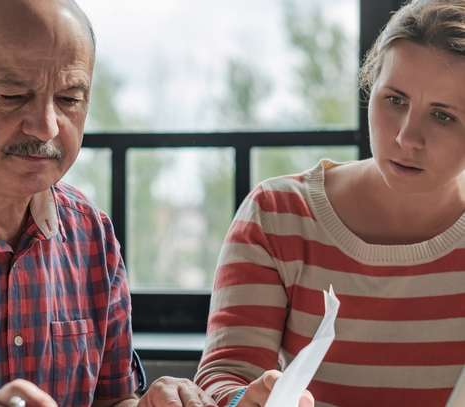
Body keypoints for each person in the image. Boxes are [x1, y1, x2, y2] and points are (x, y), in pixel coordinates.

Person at [0, 1, 216, 407]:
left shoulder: (91, 234)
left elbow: (112, 399)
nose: (46, 125)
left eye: (69, 100)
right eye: (12, 95)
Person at [194, 0, 465, 406]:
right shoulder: (277, 215)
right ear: (369, 87)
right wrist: (241, 400)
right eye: (394, 99)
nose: (407, 137)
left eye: (442, 116)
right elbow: (225, 374)